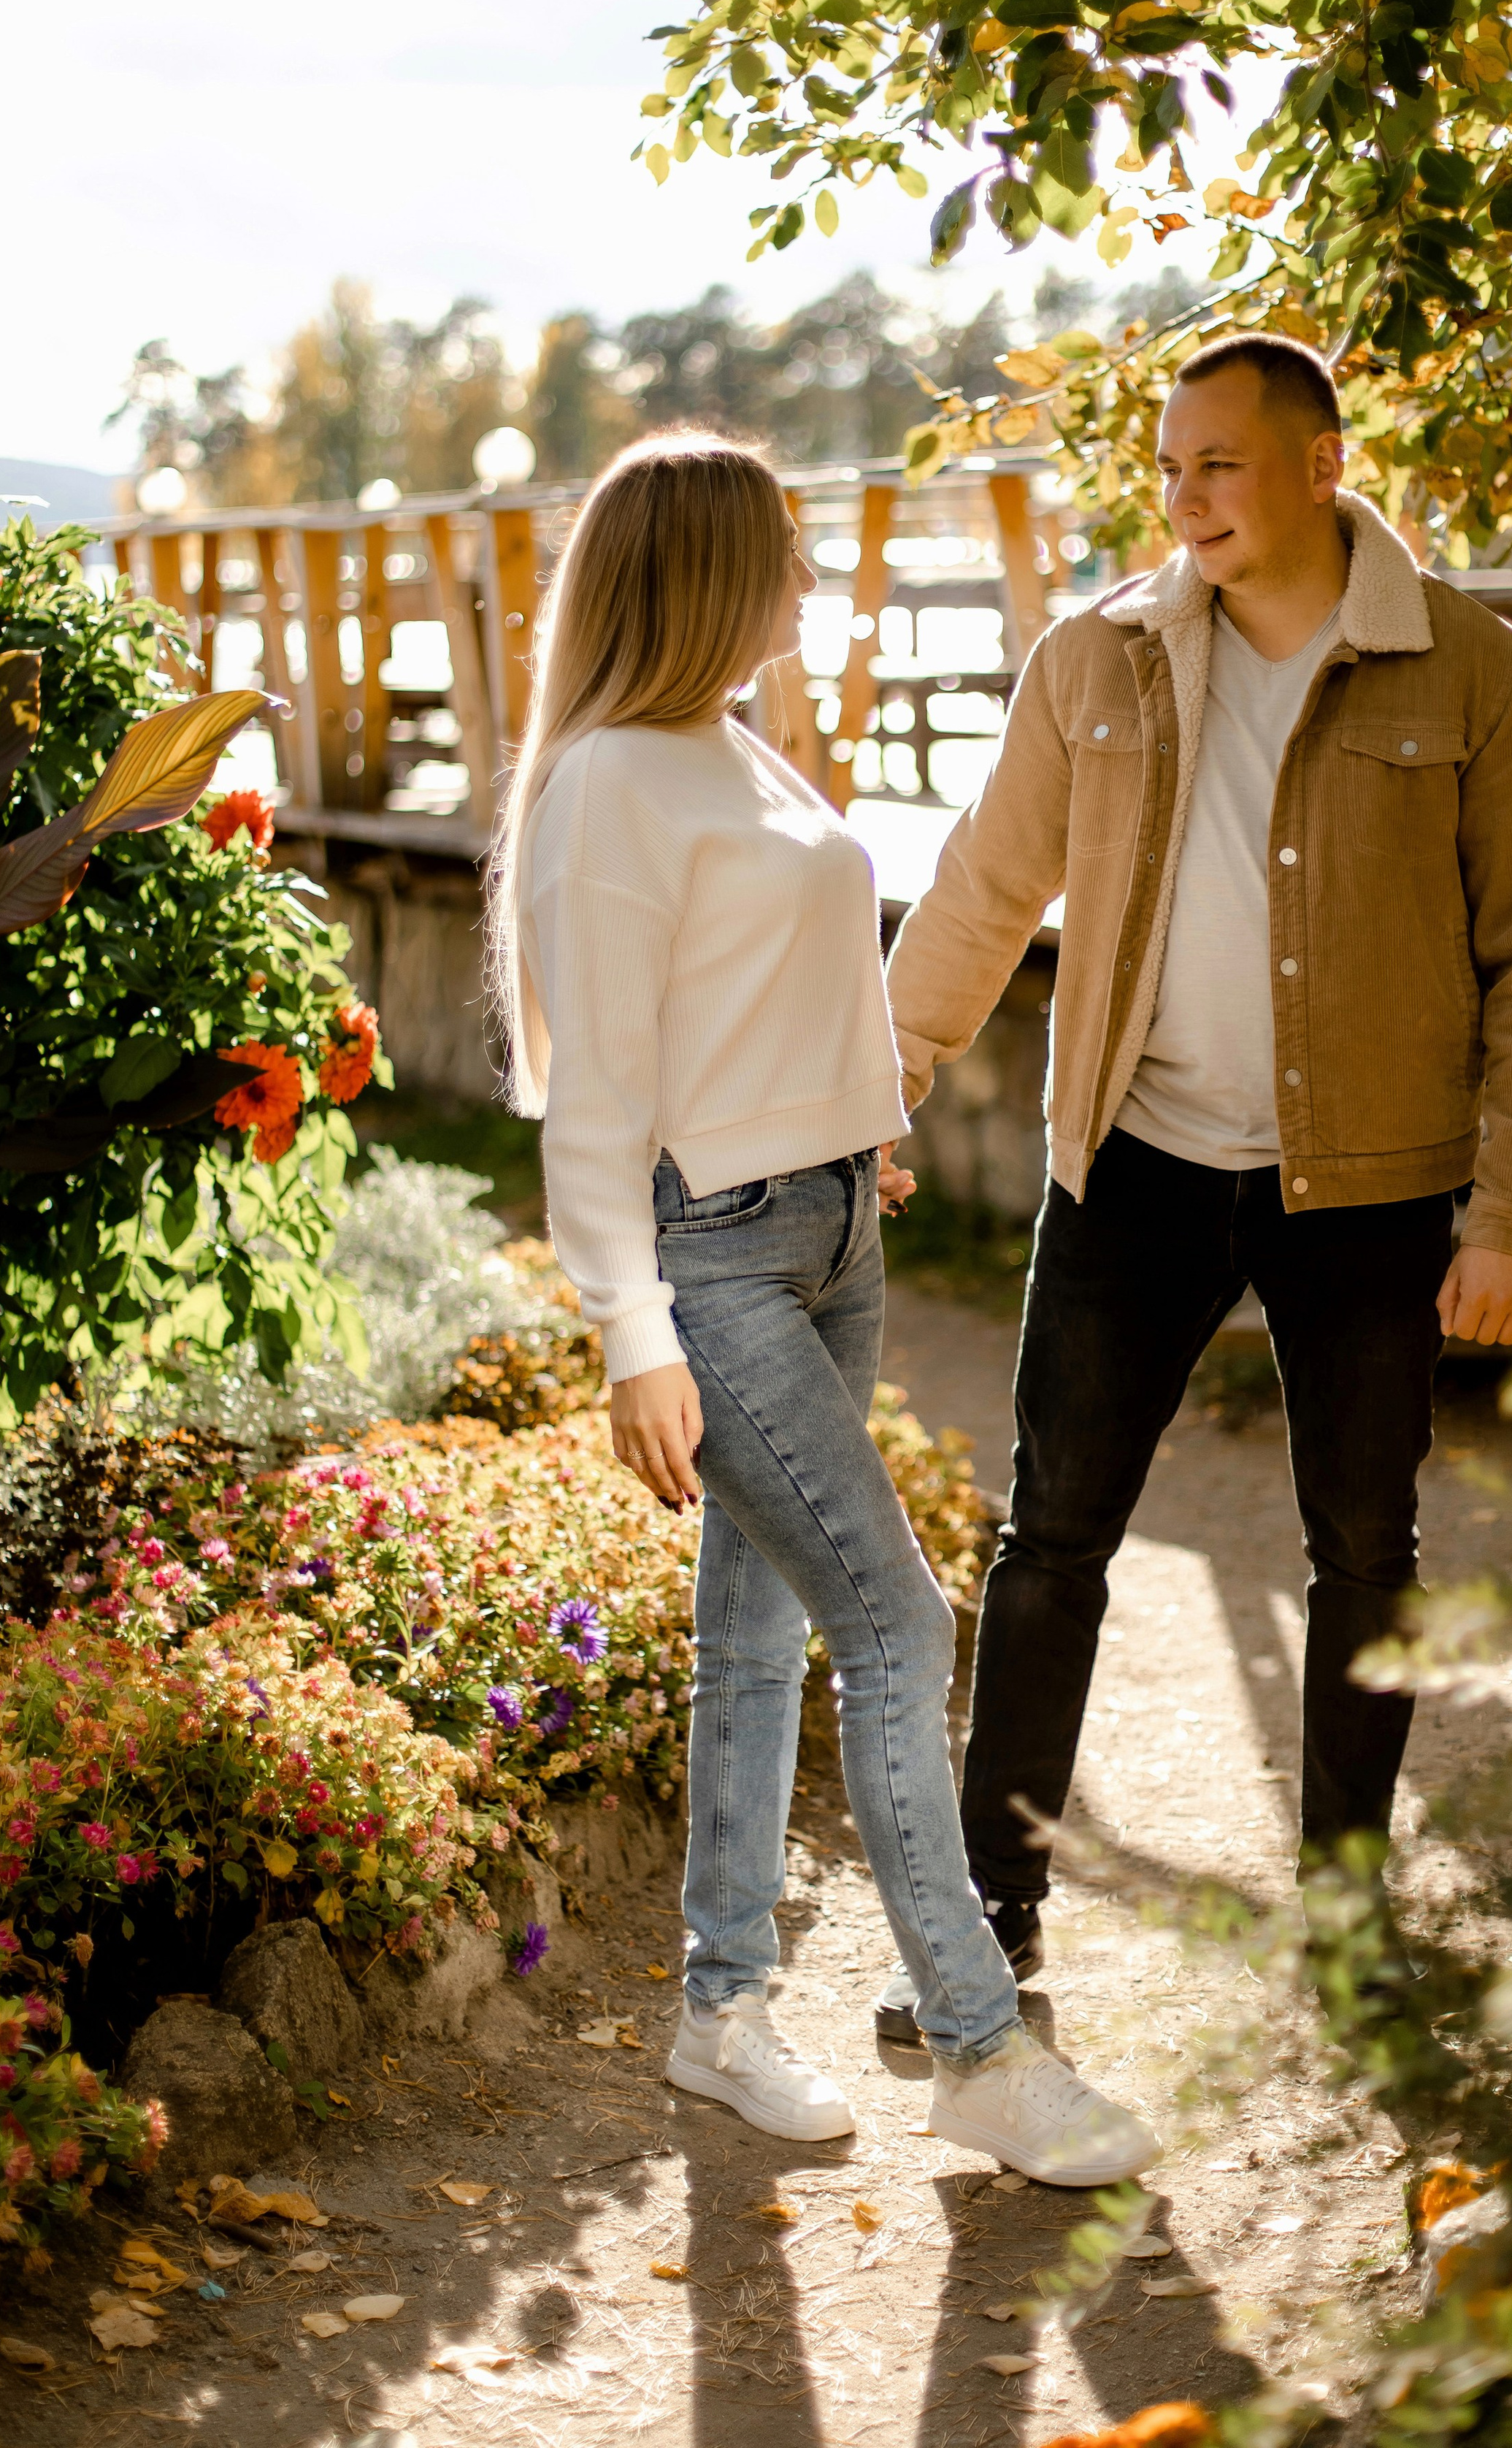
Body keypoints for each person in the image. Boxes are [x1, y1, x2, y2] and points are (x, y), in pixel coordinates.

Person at [873, 336, 1512, 2035]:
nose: (1180, 495)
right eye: (1167, 464)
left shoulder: (1473, 672)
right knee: (1046, 1538)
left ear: (1319, 464)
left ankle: (1344, 1932)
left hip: (1375, 1183)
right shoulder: (1093, 659)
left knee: (1362, 1546)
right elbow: (985, 885)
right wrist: (872, 1083)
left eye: (1217, 463)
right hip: (1130, 1159)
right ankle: (990, 1924)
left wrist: (1511, 1219)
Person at [489, 429, 1157, 2185]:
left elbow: (777, 982)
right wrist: (630, 1329)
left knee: (761, 1633)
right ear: (705, 568)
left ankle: (719, 2015)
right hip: (709, 1255)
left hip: (828, 1229)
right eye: (783, 554)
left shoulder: (731, 752)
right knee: (896, 1621)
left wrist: (856, 1123)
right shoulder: (607, 785)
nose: (809, 582)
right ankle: (976, 2046)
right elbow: (598, 1089)